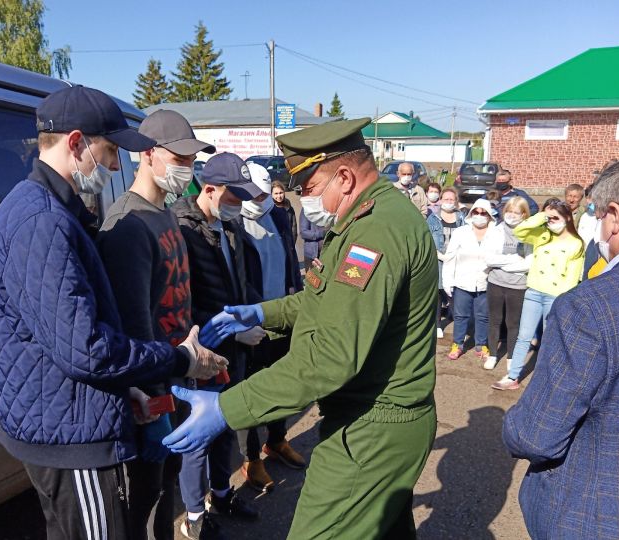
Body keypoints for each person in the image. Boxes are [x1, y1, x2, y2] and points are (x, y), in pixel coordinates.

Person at [166, 118, 438, 539]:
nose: (304, 200)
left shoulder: (376, 231)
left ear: (344, 177)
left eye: (308, 188)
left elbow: (330, 356)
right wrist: (260, 313)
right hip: (374, 421)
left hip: (371, 429)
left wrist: (226, 409)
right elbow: (323, 299)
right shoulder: (367, 218)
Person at [0, 86, 227, 540]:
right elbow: (87, 349)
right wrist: (178, 361)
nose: (115, 165)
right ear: (76, 143)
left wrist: (123, 387)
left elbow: (70, 335)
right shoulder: (41, 221)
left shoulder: (52, 210)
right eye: (110, 150)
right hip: (69, 434)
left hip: (69, 414)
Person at [502, 153, 619, 539]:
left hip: (601, 513)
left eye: (598, 214)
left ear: (615, 216)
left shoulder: (592, 305)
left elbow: (536, 434)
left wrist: (511, 427)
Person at [96, 109, 216, 540]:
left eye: (191, 160)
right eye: (179, 158)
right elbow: (131, 324)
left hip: (177, 374)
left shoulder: (164, 213)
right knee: (147, 505)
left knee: (167, 495)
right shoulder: (127, 225)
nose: (188, 168)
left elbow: (176, 297)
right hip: (152, 394)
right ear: (148, 155)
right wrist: (154, 398)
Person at [171, 152, 263, 539]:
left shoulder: (231, 228)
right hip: (202, 354)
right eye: (233, 197)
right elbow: (182, 301)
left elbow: (239, 283)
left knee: (228, 423)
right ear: (208, 189)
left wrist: (252, 316)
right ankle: (193, 517)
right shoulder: (182, 231)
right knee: (198, 434)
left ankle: (222, 493)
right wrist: (229, 331)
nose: (239, 206)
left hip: (233, 351)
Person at [238, 162, 305, 492]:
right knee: (251, 391)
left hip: (283, 317)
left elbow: (291, 258)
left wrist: (296, 287)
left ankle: (276, 440)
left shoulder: (278, 215)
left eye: (266, 193)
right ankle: (251, 457)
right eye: (256, 193)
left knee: (283, 386)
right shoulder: (235, 221)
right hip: (253, 321)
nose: (262, 199)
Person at [491, 200, 584, 390]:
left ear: (567, 218)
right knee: (524, 336)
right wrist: (542, 216)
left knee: (551, 339)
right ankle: (513, 376)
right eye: (549, 219)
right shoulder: (542, 234)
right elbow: (520, 231)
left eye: (555, 218)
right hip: (534, 290)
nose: (552, 222)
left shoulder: (576, 243)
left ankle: (545, 379)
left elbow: (574, 276)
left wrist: (563, 299)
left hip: (555, 295)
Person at [442, 198, 502, 360]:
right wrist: (448, 281)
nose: (480, 215)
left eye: (484, 213)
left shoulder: (497, 233)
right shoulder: (461, 232)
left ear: (489, 215)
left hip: (486, 282)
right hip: (462, 281)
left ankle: (481, 344)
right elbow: (450, 258)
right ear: (471, 213)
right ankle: (458, 343)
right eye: (476, 212)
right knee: (461, 315)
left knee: (483, 315)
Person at [483, 197, 532, 371]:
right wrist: (513, 260)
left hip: (517, 285)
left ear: (524, 214)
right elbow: (489, 258)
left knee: (513, 322)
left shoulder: (529, 234)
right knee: (495, 320)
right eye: (509, 211)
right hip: (496, 282)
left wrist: (503, 263)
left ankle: (511, 356)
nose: (512, 215)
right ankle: (492, 355)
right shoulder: (496, 230)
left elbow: (529, 263)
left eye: (516, 212)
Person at [426, 187, 465, 338]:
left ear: (456, 201)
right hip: (438, 260)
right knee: (437, 293)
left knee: (454, 293)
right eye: (446, 199)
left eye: (451, 199)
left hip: (457, 261)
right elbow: (428, 241)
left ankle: (457, 319)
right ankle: (437, 325)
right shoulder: (433, 219)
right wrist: (441, 256)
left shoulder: (461, 218)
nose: (449, 202)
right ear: (441, 200)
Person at [299, 206, 327, 272]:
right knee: (312, 280)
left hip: (328, 252)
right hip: (313, 254)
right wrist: (322, 234)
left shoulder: (331, 205)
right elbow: (303, 232)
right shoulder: (306, 209)